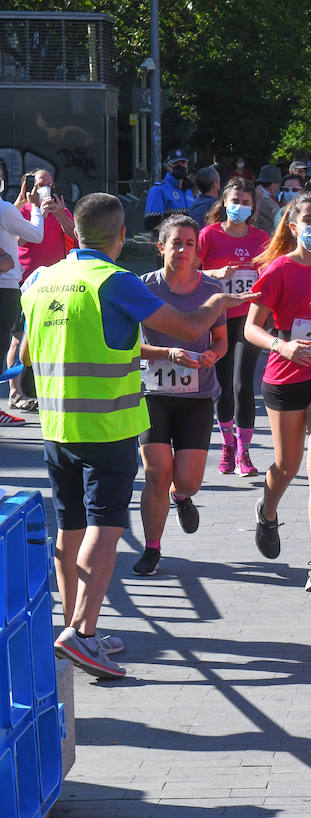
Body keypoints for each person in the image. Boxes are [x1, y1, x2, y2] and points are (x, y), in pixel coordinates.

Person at [20, 193, 247, 678]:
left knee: (69, 524)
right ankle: (82, 635)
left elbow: (50, 348)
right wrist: (217, 303)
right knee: (106, 524)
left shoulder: (41, 279)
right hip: (107, 425)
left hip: (57, 424)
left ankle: (74, 626)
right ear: (122, 237)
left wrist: (160, 355)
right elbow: (187, 327)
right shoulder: (114, 281)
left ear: (75, 232)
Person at [242, 193, 311, 591]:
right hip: (285, 376)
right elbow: (250, 328)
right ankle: (267, 510)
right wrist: (282, 345)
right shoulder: (278, 270)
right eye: (309, 218)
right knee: (286, 465)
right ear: (293, 226)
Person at [132, 216, 228, 576]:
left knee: (185, 479)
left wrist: (212, 356)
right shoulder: (144, 287)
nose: (183, 249)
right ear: (161, 248)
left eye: (190, 243)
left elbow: (221, 340)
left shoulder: (210, 289)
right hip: (152, 392)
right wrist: (165, 354)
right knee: (157, 473)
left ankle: (182, 496)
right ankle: (152, 548)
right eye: (176, 243)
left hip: (197, 395)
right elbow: (129, 345)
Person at [196, 179, 272, 478]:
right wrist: (214, 273)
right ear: (224, 203)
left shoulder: (260, 238)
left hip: (249, 316)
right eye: (234, 201)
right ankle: (227, 445)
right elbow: (190, 272)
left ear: (252, 205)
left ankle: (243, 451)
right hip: (218, 317)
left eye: (245, 201)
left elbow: (268, 274)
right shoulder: (209, 235)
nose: (239, 206)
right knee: (224, 384)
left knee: (243, 385)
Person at [9, 169, 75, 416]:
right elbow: (18, 242)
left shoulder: (62, 211)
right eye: (40, 185)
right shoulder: (21, 211)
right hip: (26, 283)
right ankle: (16, 392)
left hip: (56, 284)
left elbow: (75, 236)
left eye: (49, 185)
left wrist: (59, 216)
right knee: (19, 338)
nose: (45, 190)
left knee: (54, 336)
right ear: (29, 188)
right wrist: (37, 213)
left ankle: (49, 390)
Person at [0, 170, 48, 425]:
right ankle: (13, 395)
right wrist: (35, 208)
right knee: (10, 343)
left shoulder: (9, 209)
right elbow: (33, 235)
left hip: (20, 283)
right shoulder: (10, 210)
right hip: (13, 286)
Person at [144, 149, 195, 232]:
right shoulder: (158, 190)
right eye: (176, 163)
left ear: (187, 166)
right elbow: (151, 223)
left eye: (183, 162)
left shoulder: (188, 190)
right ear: (168, 166)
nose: (180, 166)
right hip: (167, 241)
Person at [254, 165, 282, 232]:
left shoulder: (258, 194)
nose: (279, 187)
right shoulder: (265, 200)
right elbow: (282, 219)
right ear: (273, 185)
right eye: (279, 184)